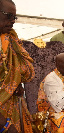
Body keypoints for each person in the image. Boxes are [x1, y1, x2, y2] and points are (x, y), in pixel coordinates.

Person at [0, 0, 35, 132]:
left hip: (13, 106)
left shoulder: (11, 39)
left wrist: (16, 82)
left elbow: (26, 71)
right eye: (8, 15)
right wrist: (5, 125)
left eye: (14, 17)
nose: (13, 20)